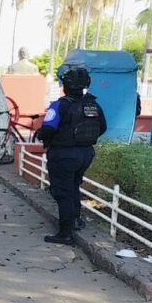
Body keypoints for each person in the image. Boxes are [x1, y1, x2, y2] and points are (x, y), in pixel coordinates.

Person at [36, 67, 107, 245]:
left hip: (63, 155)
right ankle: (76, 220)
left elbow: (47, 129)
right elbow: (103, 127)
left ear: (65, 86)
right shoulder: (93, 105)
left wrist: (42, 135)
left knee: (63, 192)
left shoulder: (59, 105)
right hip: (85, 154)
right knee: (73, 186)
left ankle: (65, 233)